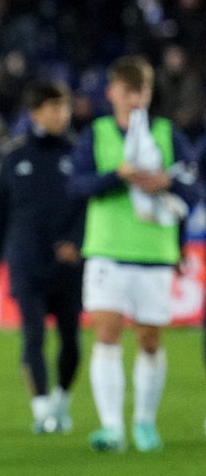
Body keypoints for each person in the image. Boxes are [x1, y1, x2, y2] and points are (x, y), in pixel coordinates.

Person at [71, 56, 195, 453]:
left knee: (150, 339)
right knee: (106, 333)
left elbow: (194, 188)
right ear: (112, 93)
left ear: (149, 93)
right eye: (127, 92)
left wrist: (167, 182)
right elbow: (76, 186)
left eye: (141, 92)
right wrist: (117, 175)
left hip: (154, 251)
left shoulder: (167, 134)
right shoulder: (98, 133)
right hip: (107, 249)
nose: (134, 100)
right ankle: (112, 427)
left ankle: (144, 422)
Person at [0, 82, 84, 434]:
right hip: (26, 262)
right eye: (54, 108)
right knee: (33, 337)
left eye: (65, 107)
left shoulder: (79, 153)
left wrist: (77, 240)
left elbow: (90, 206)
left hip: (70, 265)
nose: (62, 115)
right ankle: (42, 409)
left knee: (72, 341)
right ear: (35, 112)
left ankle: (61, 401)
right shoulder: (13, 158)